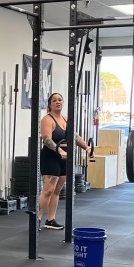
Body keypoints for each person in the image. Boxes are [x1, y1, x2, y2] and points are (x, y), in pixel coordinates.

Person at [38, 92, 94, 230]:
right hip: (50, 157)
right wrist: (59, 150)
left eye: (60, 100)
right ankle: (37, 219)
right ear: (50, 104)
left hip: (65, 158)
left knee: (57, 190)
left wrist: (87, 148)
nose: (58, 102)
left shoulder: (66, 119)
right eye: (54, 100)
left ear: (63, 102)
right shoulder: (47, 119)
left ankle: (50, 220)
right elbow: (47, 139)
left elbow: (75, 136)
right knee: (48, 190)